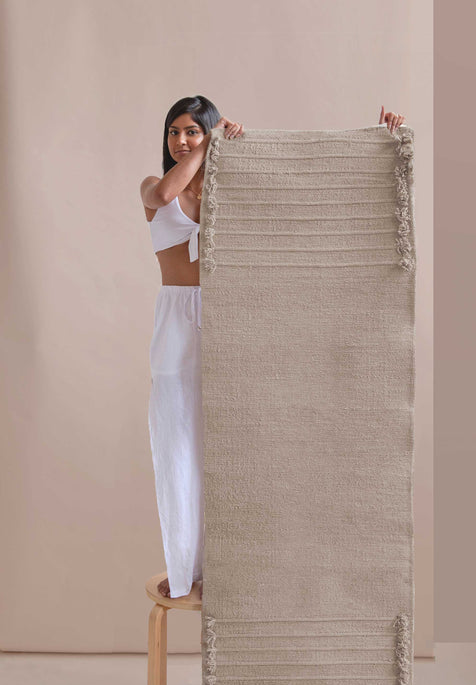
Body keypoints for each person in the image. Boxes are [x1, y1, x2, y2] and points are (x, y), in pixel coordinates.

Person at [140, 95, 405, 599]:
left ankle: (235, 568)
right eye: (175, 132)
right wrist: (210, 146)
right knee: (177, 445)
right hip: (177, 323)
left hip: (229, 321)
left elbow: (308, 203)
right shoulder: (154, 186)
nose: (181, 141)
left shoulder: (233, 190)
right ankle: (185, 568)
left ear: (209, 133)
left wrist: (381, 145)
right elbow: (167, 192)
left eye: (194, 132)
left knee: (234, 447)